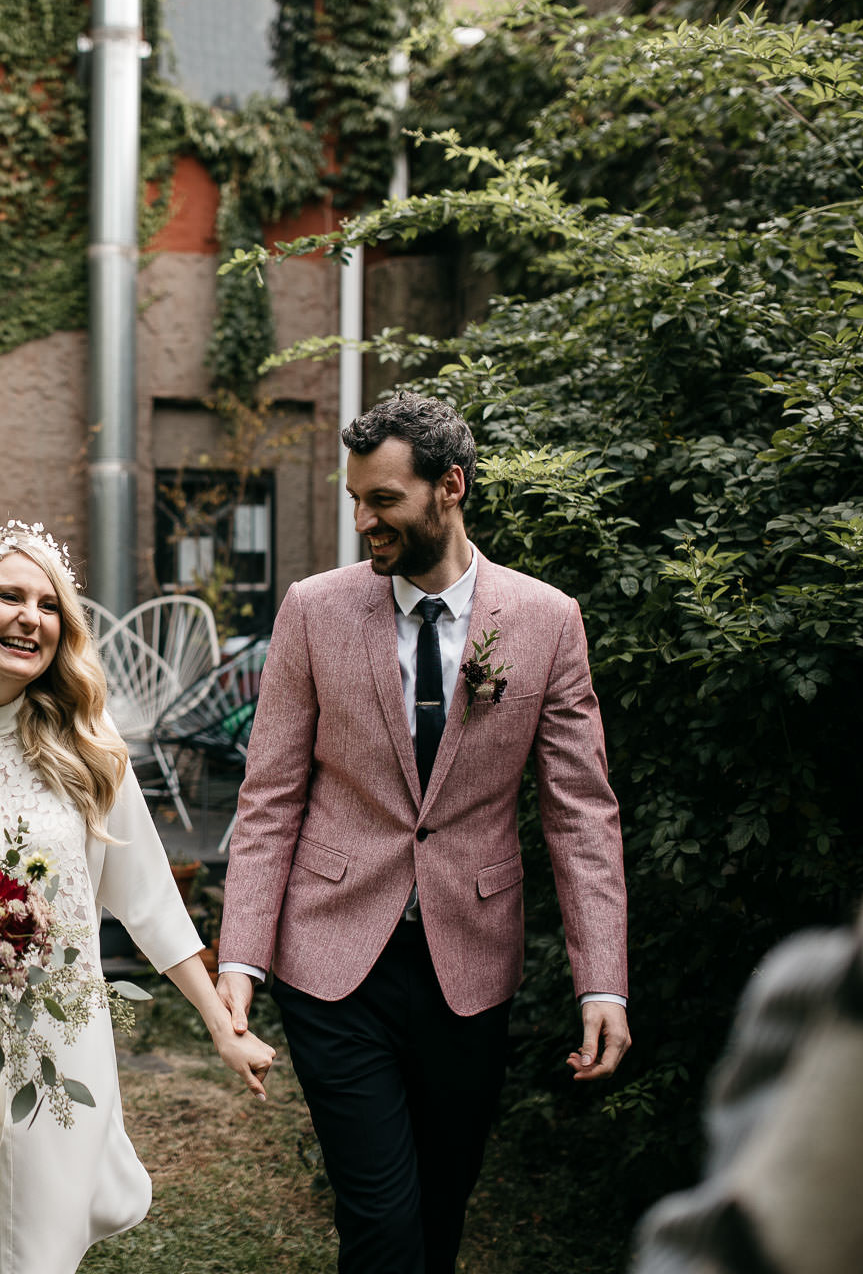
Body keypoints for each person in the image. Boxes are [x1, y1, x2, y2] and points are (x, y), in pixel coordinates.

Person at [215, 392, 631, 1274]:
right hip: (331, 960)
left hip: (469, 966)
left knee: (441, 1212)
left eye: (383, 500)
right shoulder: (314, 610)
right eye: (355, 499)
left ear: (451, 487)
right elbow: (270, 797)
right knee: (383, 1224)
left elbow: (580, 812)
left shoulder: (548, 620)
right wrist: (240, 962)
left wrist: (603, 981)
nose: (363, 521)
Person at [0, 521, 276, 1274]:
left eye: (48, 605)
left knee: (33, 1249)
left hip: (52, 1042)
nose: (31, 618)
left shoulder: (87, 742)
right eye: (11, 596)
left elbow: (147, 897)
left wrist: (219, 1024)